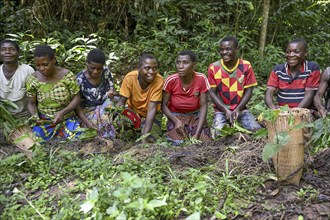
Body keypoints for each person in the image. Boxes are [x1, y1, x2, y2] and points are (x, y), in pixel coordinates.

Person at [208, 36, 261, 138]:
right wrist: (225, 110)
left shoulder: (246, 66)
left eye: (228, 49)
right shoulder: (213, 67)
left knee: (256, 131)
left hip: (241, 109)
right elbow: (212, 92)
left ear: (236, 49)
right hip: (221, 110)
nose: (224, 52)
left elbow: (249, 90)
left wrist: (238, 109)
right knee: (217, 135)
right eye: (221, 49)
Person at [26, 45, 82, 141]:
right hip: (44, 120)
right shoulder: (33, 79)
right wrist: (35, 117)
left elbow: (76, 98)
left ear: (54, 60)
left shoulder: (67, 75)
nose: (42, 68)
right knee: (36, 139)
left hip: (66, 118)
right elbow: (31, 103)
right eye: (38, 65)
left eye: (45, 64)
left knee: (77, 137)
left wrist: (63, 113)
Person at [162, 50, 211, 145]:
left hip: (195, 115)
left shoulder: (201, 79)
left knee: (204, 141)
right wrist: (176, 121)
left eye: (185, 63)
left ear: (194, 65)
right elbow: (163, 105)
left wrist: (197, 134)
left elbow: (204, 106)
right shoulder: (171, 80)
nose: (180, 66)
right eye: (178, 62)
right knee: (177, 142)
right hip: (175, 115)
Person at [116, 53, 164, 143]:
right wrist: (118, 117)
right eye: (147, 68)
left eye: (154, 68)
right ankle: (136, 129)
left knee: (151, 139)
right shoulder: (130, 78)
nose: (151, 71)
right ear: (139, 68)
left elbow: (152, 109)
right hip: (134, 112)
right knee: (122, 125)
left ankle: (142, 130)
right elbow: (121, 102)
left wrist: (145, 135)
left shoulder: (159, 81)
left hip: (152, 115)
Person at [265, 38, 320, 110]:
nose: (291, 55)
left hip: (304, 112)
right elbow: (269, 92)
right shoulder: (278, 69)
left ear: (305, 53)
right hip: (283, 112)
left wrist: (294, 113)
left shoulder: (312, 68)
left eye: (296, 52)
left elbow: (309, 95)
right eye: (288, 52)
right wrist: (272, 108)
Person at [76, 49, 117, 139]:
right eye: (92, 68)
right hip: (88, 110)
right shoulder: (80, 79)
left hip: (105, 103)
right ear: (87, 64)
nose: (96, 71)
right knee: (97, 125)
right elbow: (76, 105)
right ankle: (106, 136)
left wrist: (111, 93)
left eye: (99, 69)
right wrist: (86, 121)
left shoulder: (106, 72)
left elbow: (112, 89)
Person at [0, 39, 34, 119]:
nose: (7, 52)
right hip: (3, 119)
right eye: (3, 50)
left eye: (11, 49)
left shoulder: (27, 70)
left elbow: (34, 98)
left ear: (18, 53)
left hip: (25, 117)